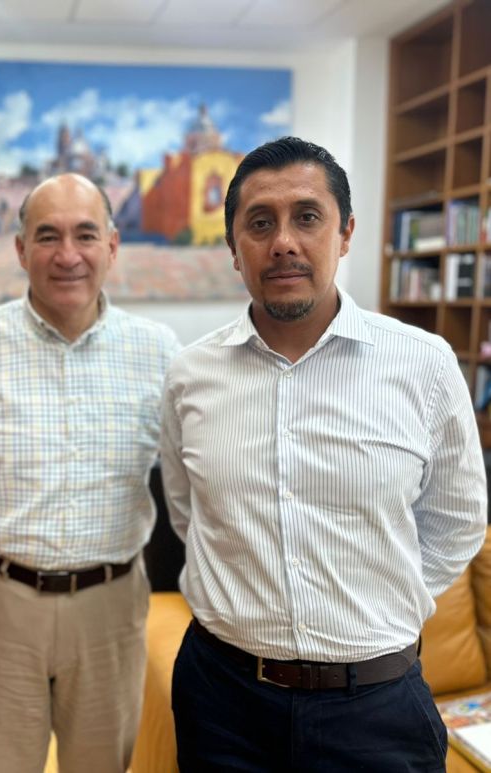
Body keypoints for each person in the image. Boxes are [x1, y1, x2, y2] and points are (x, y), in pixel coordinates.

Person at [160, 136, 488, 771]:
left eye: (307, 217)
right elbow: (190, 513)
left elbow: (456, 521)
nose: (283, 241)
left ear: (345, 234)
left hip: (376, 707)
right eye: (260, 223)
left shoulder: (423, 364)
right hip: (222, 701)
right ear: (233, 246)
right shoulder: (189, 375)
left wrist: (374, 604)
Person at [0, 172, 181, 773]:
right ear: (20, 249)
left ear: (112, 246)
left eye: (85, 235)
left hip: (112, 609)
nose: (68, 255)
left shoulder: (161, 352)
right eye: (47, 236)